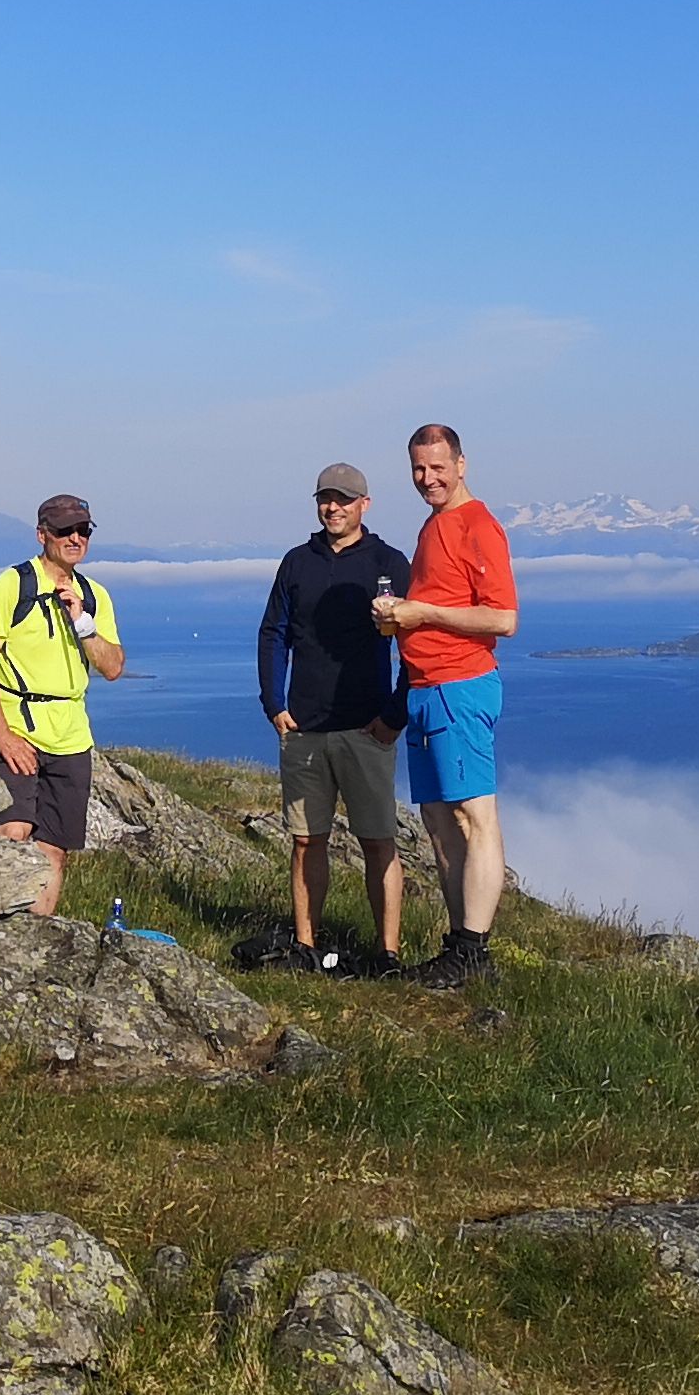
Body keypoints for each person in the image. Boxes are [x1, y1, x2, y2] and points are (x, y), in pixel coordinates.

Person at [372, 422, 517, 986]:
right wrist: (401, 620)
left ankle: (474, 951)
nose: (427, 478)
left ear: (462, 464)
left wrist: (421, 615)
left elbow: (503, 618)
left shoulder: (478, 525)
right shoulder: (435, 526)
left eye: (437, 467)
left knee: (474, 816)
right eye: (418, 468)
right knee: (438, 820)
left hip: (460, 687)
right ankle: (460, 945)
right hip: (426, 689)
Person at [254, 463, 412, 974]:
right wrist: (273, 702)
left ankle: (388, 954)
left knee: (378, 840)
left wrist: (395, 714)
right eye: (325, 498)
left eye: (343, 499)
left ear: (365, 504)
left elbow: (416, 643)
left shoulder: (389, 562)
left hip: (367, 726)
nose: (333, 507)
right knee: (306, 840)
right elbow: (273, 633)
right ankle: (304, 945)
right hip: (304, 728)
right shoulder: (297, 562)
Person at [0, 494, 124, 916]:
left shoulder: (94, 596)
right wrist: (2, 736)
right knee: (12, 831)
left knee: (54, 850)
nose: (75, 538)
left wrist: (83, 623)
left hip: (71, 737)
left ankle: (36, 940)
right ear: (43, 535)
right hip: (20, 732)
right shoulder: (13, 585)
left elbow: (113, 666)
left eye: (83, 530)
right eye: (63, 531)